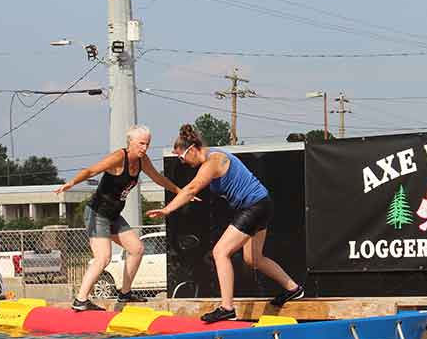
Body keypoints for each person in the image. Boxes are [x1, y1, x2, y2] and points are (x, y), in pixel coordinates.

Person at [146, 124, 304, 322]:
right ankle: (294, 289)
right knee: (253, 259)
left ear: (192, 149)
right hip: (262, 204)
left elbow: (192, 187)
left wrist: (167, 210)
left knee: (220, 252)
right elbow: (192, 189)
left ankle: (227, 307)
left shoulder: (213, 160)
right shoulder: (213, 159)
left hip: (254, 206)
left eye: (181, 157)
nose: (183, 162)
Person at [55, 125, 188, 311]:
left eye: (147, 144)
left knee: (137, 248)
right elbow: (91, 171)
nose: (145, 148)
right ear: (131, 142)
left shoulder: (143, 161)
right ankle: (80, 300)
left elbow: (157, 178)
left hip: (113, 216)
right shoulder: (119, 157)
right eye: (141, 143)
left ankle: (125, 293)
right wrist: (71, 182)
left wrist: (180, 191)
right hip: (97, 214)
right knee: (103, 258)